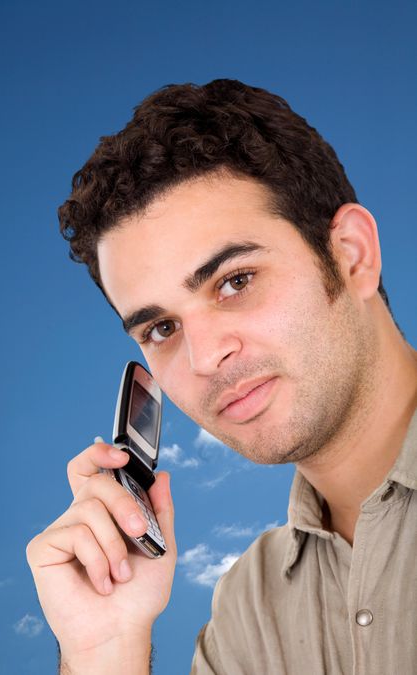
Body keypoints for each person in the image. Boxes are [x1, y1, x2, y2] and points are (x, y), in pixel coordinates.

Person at [26, 79, 417, 674]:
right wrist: (106, 650)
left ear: (352, 255)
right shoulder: (248, 610)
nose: (205, 357)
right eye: (160, 328)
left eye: (235, 281)